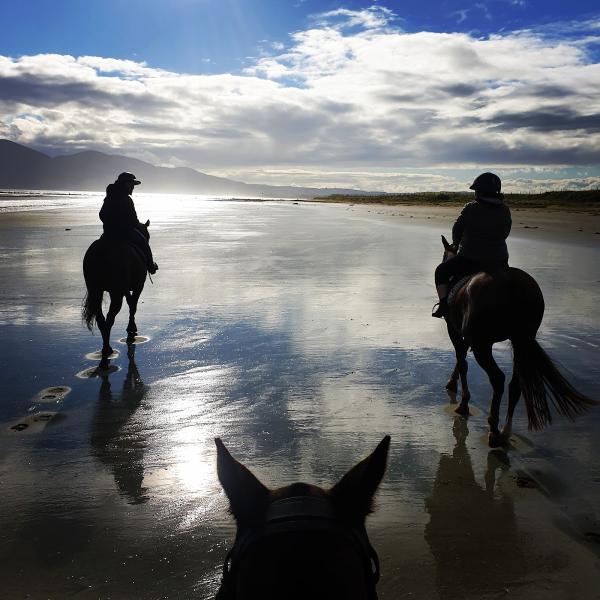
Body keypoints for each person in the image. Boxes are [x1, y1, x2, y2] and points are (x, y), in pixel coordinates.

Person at [432, 172, 511, 318]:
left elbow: (457, 228)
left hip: (470, 259)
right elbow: (505, 233)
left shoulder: (471, 208)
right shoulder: (505, 209)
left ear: (479, 191)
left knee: (441, 271)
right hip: (500, 260)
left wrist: (456, 244)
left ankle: (443, 306)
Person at [99, 172, 158, 274]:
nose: (133, 188)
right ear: (125, 184)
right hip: (125, 233)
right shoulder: (127, 199)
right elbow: (134, 221)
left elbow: (101, 214)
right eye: (131, 184)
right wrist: (135, 225)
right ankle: (151, 266)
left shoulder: (109, 196)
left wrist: (110, 224)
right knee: (144, 242)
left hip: (108, 233)